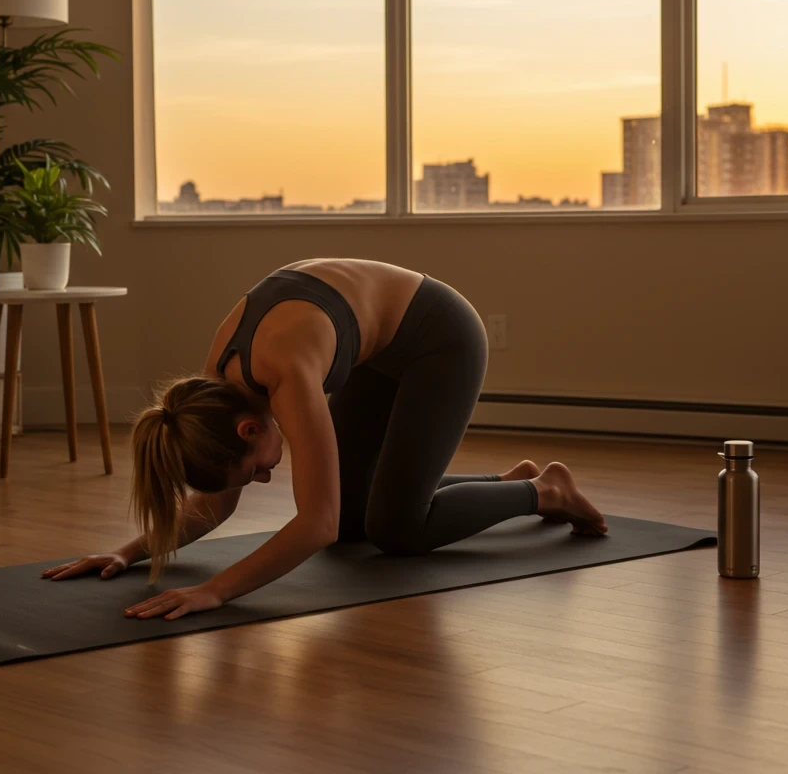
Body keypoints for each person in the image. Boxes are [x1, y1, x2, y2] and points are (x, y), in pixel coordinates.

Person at [42, 259, 607, 619]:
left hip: (441, 338)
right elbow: (221, 506)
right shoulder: (213, 392)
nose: (265, 477)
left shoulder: (284, 375)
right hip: (378, 351)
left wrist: (215, 590)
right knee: (359, 519)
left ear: (249, 428)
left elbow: (316, 523)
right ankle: (504, 485)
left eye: (254, 470)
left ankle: (547, 491)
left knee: (397, 529)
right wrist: (128, 550)